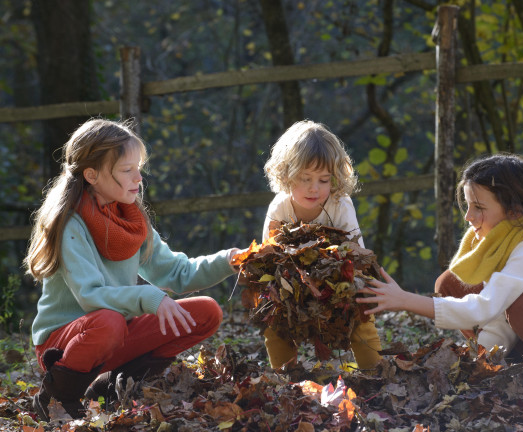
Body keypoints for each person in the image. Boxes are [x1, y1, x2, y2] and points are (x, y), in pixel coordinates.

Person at [357, 153, 523, 417]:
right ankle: (511, 370)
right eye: (468, 204)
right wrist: (478, 366)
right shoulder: (505, 237)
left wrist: (404, 299)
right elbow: (497, 318)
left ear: (514, 210)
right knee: (451, 283)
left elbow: (485, 308)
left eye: (479, 207)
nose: (468, 216)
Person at [24, 118, 240, 421]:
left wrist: (230, 260)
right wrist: (149, 297)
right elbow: (91, 296)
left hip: (114, 331)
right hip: (64, 343)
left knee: (205, 313)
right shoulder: (70, 224)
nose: (138, 177)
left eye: (138, 168)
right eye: (127, 170)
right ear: (92, 175)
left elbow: (178, 272)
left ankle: (113, 385)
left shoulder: (131, 219)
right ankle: (57, 395)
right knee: (109, 322)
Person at [260, 119, 382, 370]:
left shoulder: (340, 204)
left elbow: (355, 253)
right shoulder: (280, 207)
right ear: (286, 174)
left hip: (338, 280)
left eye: (324, 180)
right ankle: (286, 376)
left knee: (363, 313)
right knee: (273, 318)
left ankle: (376, 372)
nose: (314, 188)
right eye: (305, 178)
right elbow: (268, 257)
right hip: (292, 283)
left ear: (335, 179)